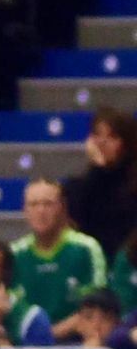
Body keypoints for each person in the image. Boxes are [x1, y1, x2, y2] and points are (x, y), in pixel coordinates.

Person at [11, 179, 108, 334]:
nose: (41, 211)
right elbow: (10, 311)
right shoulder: (15, 253)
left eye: (48, 204)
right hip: (27, 345)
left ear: (62, 208)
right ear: (24, 210)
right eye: (33, 204)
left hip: (76, 343)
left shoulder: (85, 248)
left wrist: (49, 335)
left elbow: (96, 308)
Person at [65, 111, 137, 263]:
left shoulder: (131, 187)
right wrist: (98, 170)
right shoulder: (77, 186)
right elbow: (78, 220)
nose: (102, 142)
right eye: (96, 135)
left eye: (112, 137)